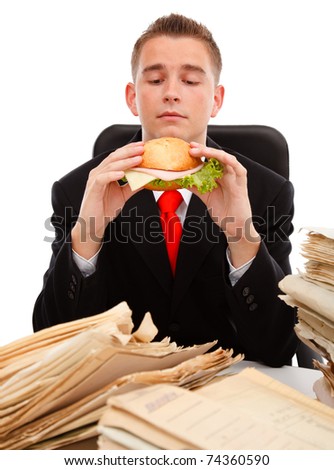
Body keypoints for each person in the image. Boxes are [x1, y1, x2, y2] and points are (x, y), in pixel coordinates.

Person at [33, 13, 298, 366]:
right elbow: (53, 342)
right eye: (156, 79)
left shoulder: (266, 192)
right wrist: (87, 235)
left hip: (231, 387)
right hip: (123, 387)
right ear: (132, 97)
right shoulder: (78, 190)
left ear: (216, 99)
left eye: (190, 81)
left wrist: (242, 237)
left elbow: (279, 348)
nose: (171, 93)